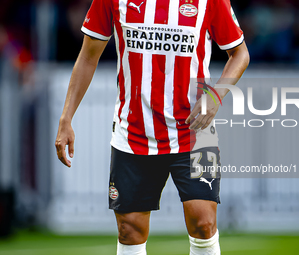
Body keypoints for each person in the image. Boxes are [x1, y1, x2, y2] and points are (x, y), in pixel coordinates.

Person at [55, 0, 249, 254]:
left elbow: (240, 53)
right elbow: (88, 57)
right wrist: (66, 118)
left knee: (203, 222)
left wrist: (215, 96)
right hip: (134, 132)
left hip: (195, 131)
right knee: (130, 229)